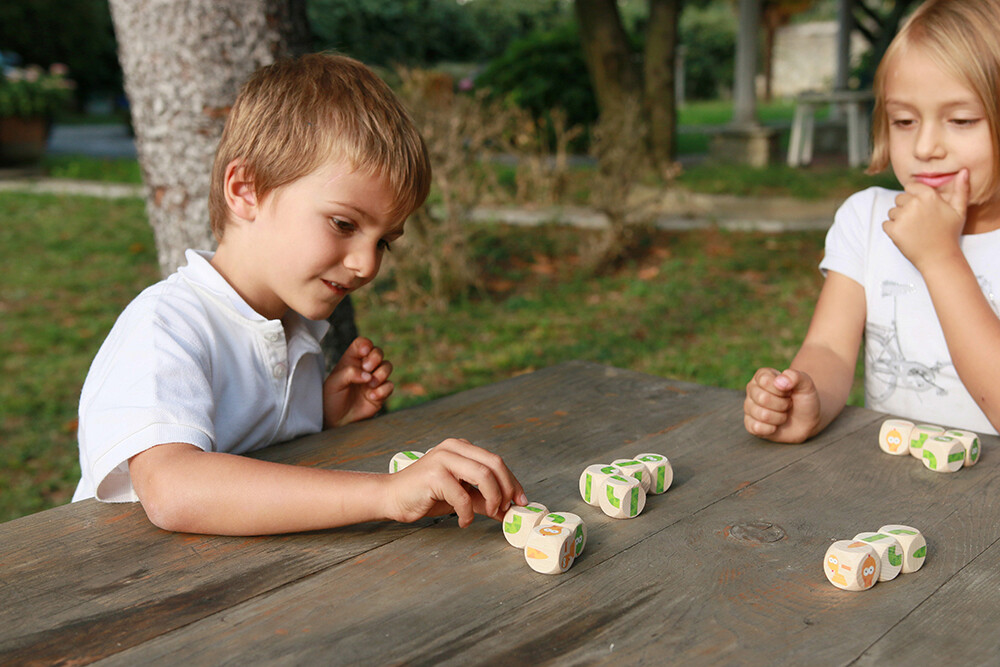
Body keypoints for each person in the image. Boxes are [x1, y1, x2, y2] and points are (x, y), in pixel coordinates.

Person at [73, 53, 527, 534]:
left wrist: (321, 419)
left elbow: (249, 462)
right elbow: (174, 490)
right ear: (245, 190)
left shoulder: (290, 329)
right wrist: (387, 493)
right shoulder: (165, 327)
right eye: (343, 224)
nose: (367, 264)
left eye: (383, 242)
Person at [744, 0, 1000, 443]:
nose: (925, 146)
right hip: (888, 494)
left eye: (961, 120)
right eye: (904, 120)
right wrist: (809, 399)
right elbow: (828, 349)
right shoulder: (866, 219)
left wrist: (940, 258)